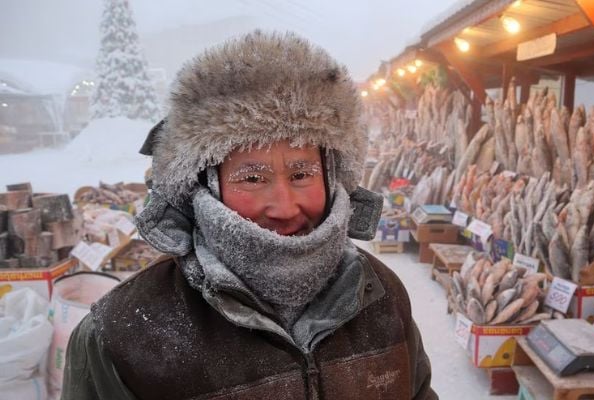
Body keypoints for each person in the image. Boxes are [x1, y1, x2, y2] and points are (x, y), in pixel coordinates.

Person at [62, 31, 436, 400]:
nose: (285, 206)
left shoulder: (380, 295)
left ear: (333, 175)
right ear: (204, 185)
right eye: (252, 178)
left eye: (302, 174)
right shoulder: (122, 334)